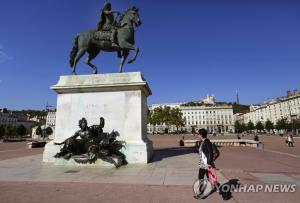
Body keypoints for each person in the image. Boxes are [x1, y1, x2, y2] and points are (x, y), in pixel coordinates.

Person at [194, 128, 218, 199]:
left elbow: (210, 152)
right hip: (203, 163)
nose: (197, 135)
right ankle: (207, 190)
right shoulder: (203, 142)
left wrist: (209, 162)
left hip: (205, 164)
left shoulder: (206, 142)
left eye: (198, 134)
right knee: (208, 178)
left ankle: (201, 193)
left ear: (201, 135)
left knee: (201, 178)